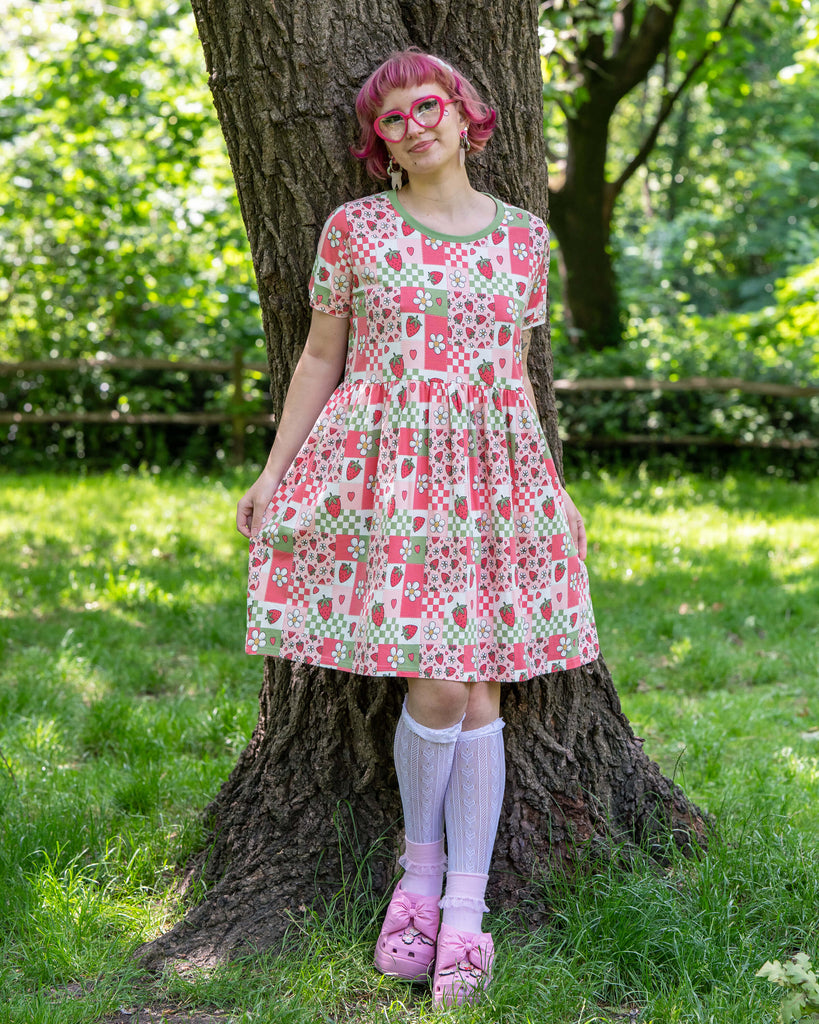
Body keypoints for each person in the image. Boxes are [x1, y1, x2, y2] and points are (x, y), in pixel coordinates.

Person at [236, 49, 599, 1007]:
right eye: (391, 119)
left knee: (479, 692)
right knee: (440, 683)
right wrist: (274, 471)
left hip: (493, 476)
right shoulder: (355, 229)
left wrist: (553, 490)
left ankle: (462, 914)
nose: (412, 126)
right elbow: (320, 358)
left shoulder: (524, 240)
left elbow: (516, 378)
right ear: (379, 144)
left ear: (466, 114)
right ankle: (419, 876)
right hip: (391, 473)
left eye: (426, 106)